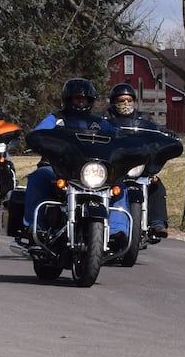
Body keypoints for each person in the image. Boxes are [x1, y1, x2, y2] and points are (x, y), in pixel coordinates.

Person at [21, 79, 130, 245]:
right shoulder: (56, 119)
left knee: (119, 183)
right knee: (39, 176)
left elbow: (118, 138)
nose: (80, 102)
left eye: (84, 99)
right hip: (56, 167)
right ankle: (35, 226)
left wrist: (128, 146)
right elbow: (38, 133)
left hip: (92, 170)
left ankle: (117, 230)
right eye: (76, 98)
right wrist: (38, 141)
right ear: (67, 99)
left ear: (90, 101)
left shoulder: (99, 123)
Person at [107, 83, 171, 238]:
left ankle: (157, 223)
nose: (126, 104)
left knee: (156, 184)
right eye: (121, 100)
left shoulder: (144, 119)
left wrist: (166, 135)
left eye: (129, 100)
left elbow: (155, 131)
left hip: (139, 162)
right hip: (116, 164)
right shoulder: (106, 119)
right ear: (114, 102)